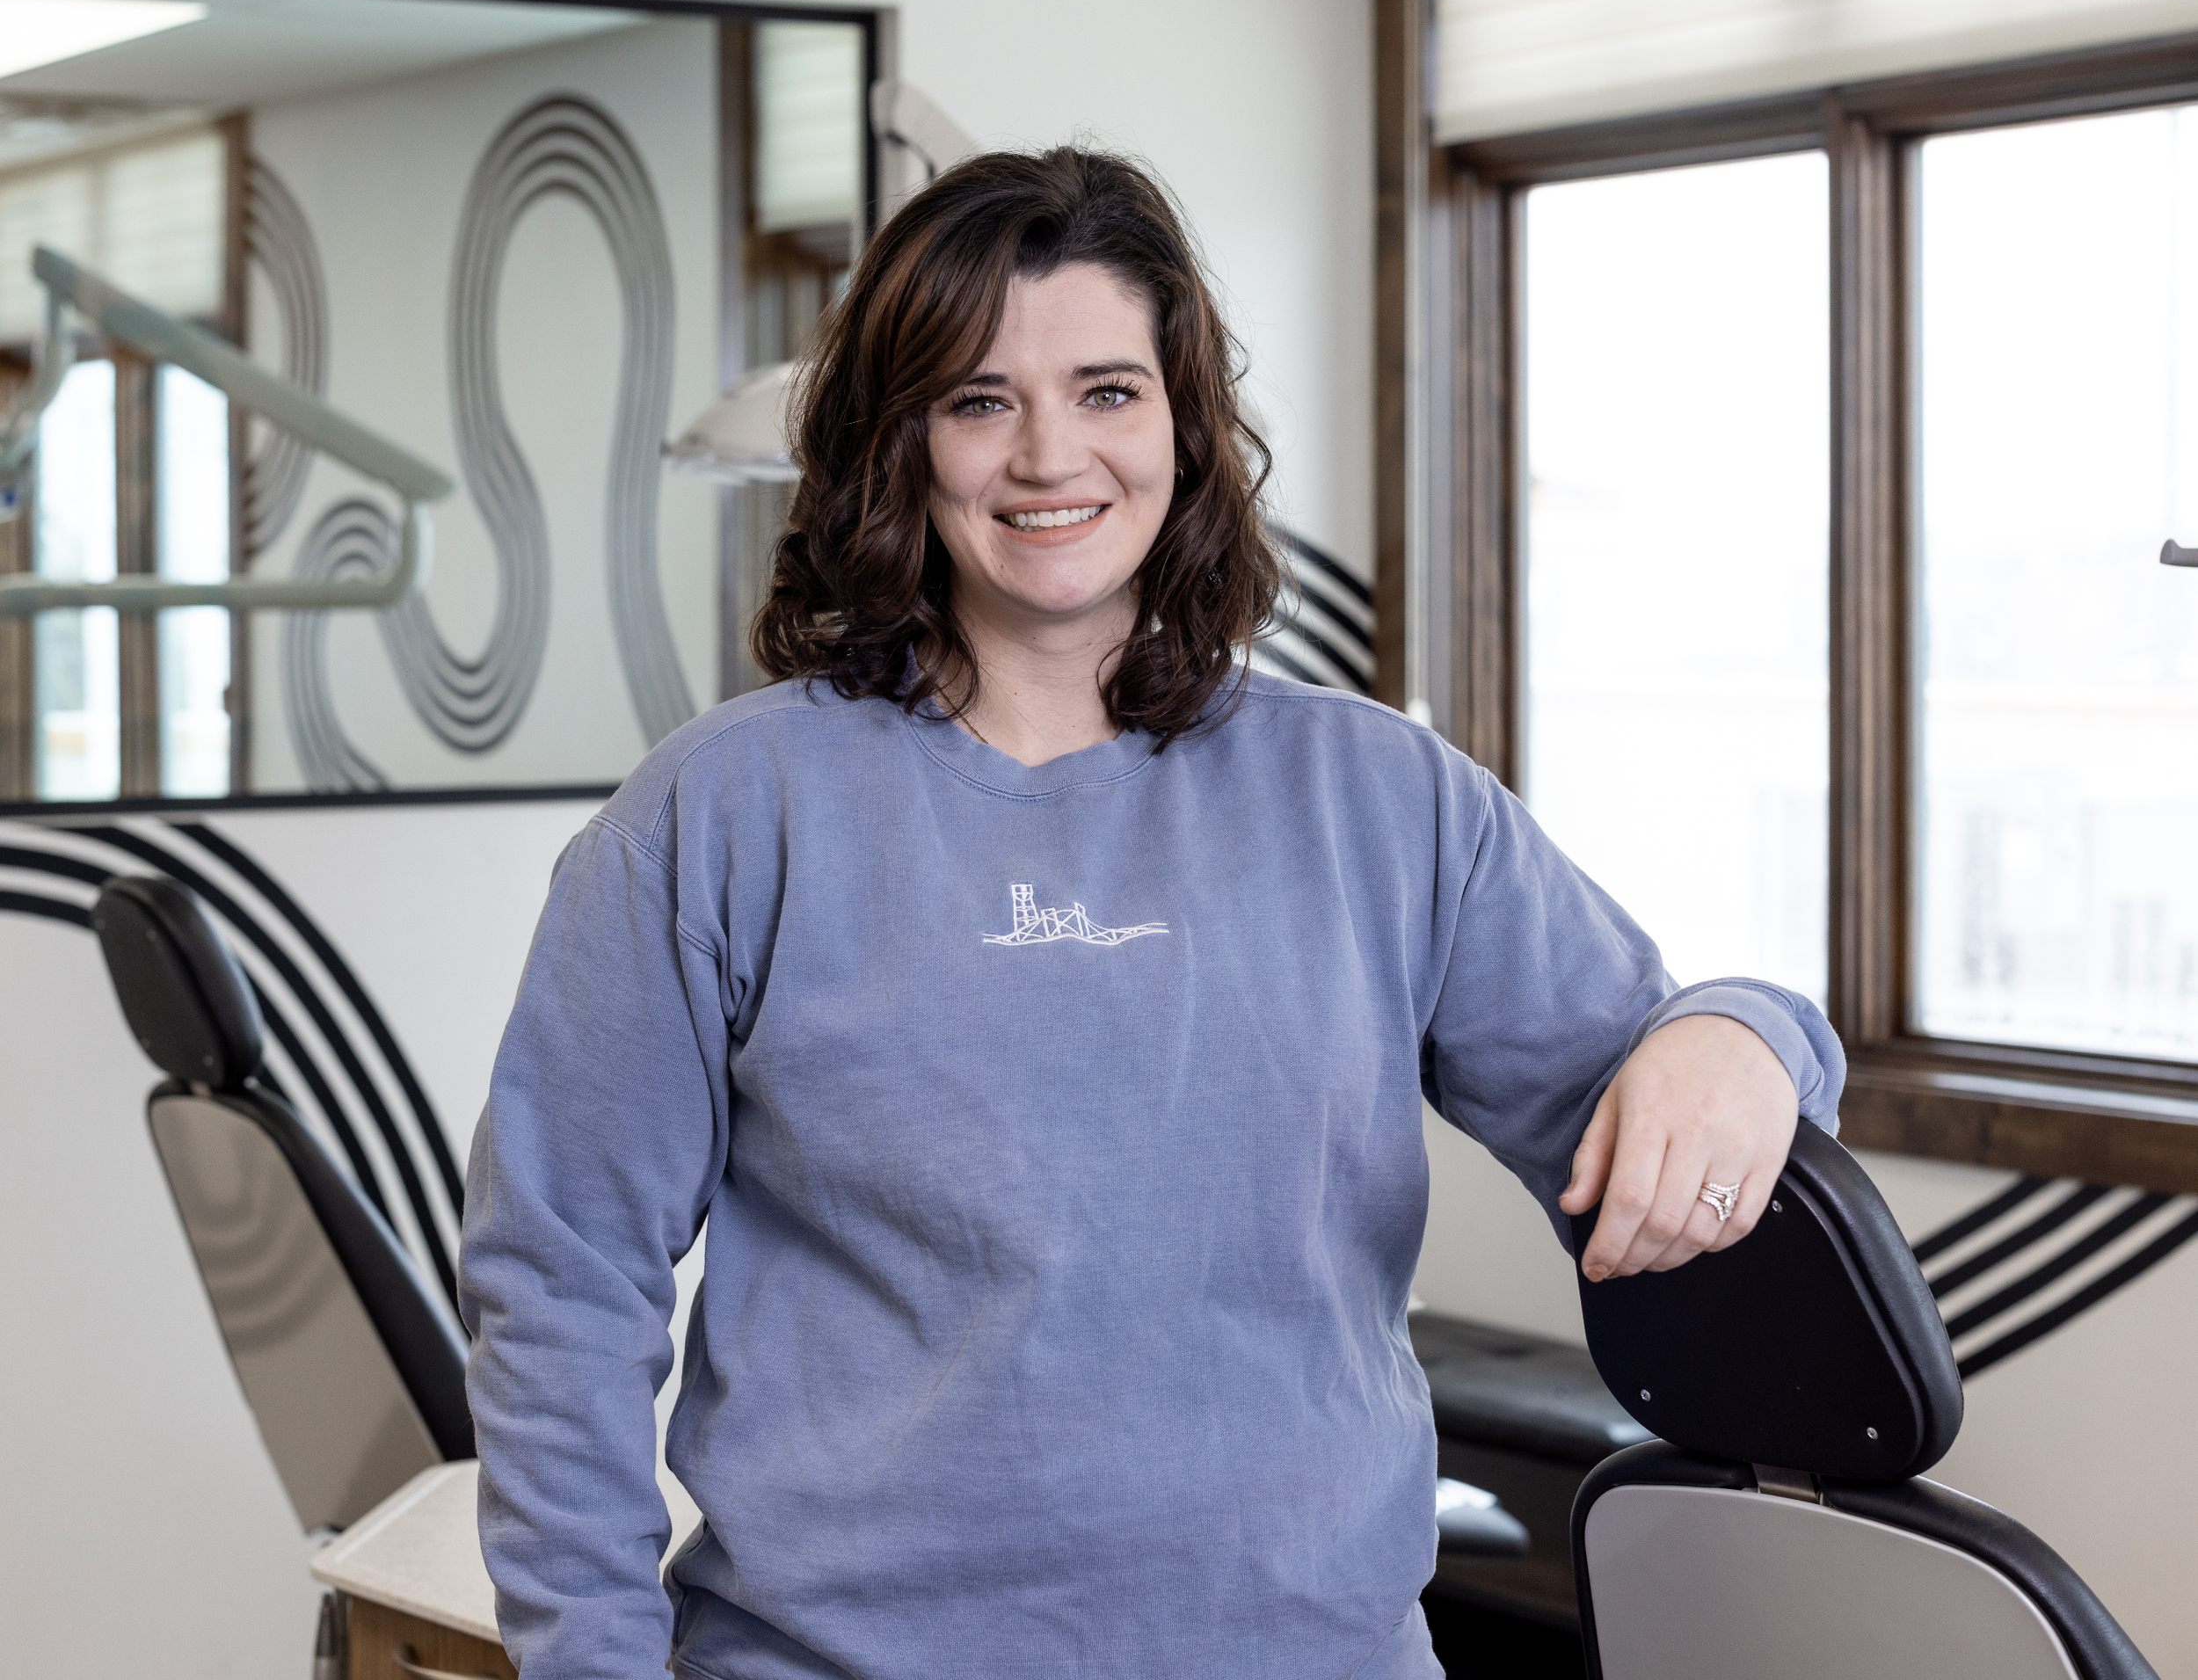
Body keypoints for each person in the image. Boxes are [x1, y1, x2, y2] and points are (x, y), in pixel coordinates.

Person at [459, 148, 1842, 1680]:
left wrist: (1752, 1028)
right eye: (980, 399)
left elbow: (1653, 1096)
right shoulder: (724, 813)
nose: (1051, 455)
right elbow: (563, 1275)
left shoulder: (1380, 797)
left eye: (1108, 390)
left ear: (1184, 424)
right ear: (898, 443)